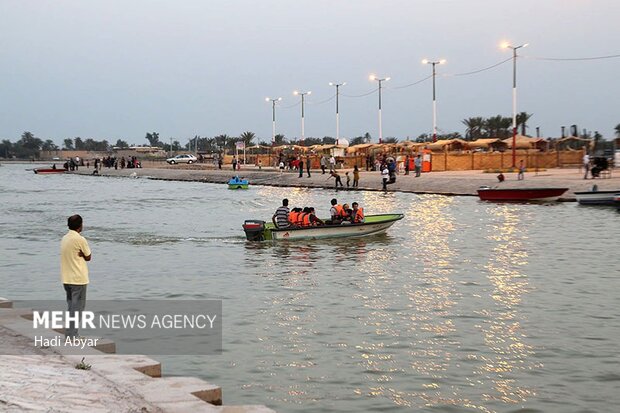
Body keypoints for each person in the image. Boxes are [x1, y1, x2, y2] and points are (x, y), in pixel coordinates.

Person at [60, 215, 92, 338]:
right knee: (78, 308)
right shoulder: (80, 239)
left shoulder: (64, 238)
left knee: (71, 307)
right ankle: (72, 335)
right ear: (80, 226)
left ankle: (70, 333)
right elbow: (88, 257)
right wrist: (83, 255)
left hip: (66, 278)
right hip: (78, 278)